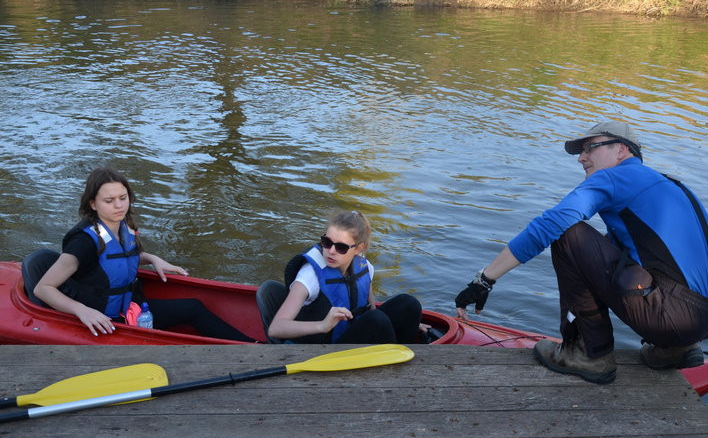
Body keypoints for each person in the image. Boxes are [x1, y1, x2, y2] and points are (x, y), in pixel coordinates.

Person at [454, 122, 708, 384]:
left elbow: (548, 225)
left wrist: (485, 280)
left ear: (621, 150)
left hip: (676, 316)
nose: (581, 158)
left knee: (566, 233)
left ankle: (587, 353)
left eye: (591, 148)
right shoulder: (666, 184)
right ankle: (674, 349)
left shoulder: (615, 176)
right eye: (581, 151)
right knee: (611, 248)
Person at [29, 166, 255, 342]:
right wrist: (83, 312)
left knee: (194, 307)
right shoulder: (83, 242)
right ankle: (257, 351)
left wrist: (153, 259)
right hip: (104, 320)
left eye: (123, 197)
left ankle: (254, 346)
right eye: (109, 201)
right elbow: (44, 288)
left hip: (130, 309)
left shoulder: (122, 226)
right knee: (192, 311)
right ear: (93, 204)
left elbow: (121, 257)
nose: (119, 206)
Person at [265, 210, 422, 344]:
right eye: (326, 242)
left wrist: (407, 324)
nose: (331, 251)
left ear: (358, 248)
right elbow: (276, 328)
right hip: (323, 348)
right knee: (376, 321)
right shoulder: (309, 275)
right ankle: (398, 370)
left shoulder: (365, 268)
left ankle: (404, 358)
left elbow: (371, 310)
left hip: (352, 336)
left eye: (341, 247)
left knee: (409, 304)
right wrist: (323, 325)